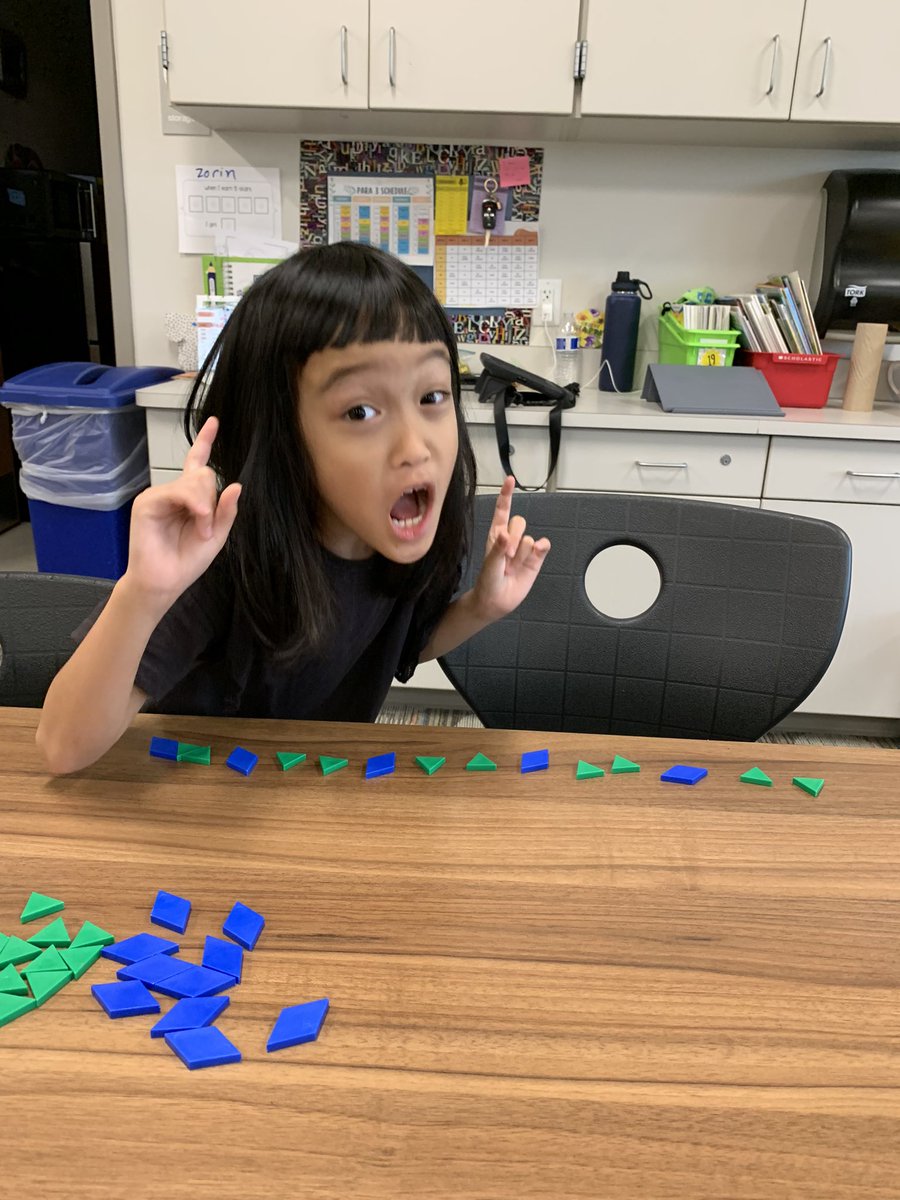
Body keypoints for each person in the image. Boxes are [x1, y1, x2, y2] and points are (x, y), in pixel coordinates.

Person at [36, 242, 551, 775]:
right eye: (361, 411)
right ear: (280, 431)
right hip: (204, 787)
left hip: (315, 783)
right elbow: (61, 749)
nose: (416, 447)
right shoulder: (223, 553)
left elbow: (404, 646)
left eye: (432, 397)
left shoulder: (405, 534)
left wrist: (480, 606)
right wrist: (143, 594)